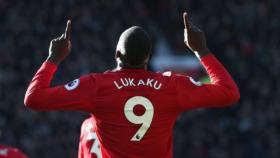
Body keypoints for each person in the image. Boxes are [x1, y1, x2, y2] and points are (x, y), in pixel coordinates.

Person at [24, 12, 240, 158]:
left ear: (116, 53)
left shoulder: (98, 86)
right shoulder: (171, 86)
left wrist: (53, 58)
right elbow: (229, 92)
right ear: (148, 58)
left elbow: (33, 98)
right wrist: (201, 50)